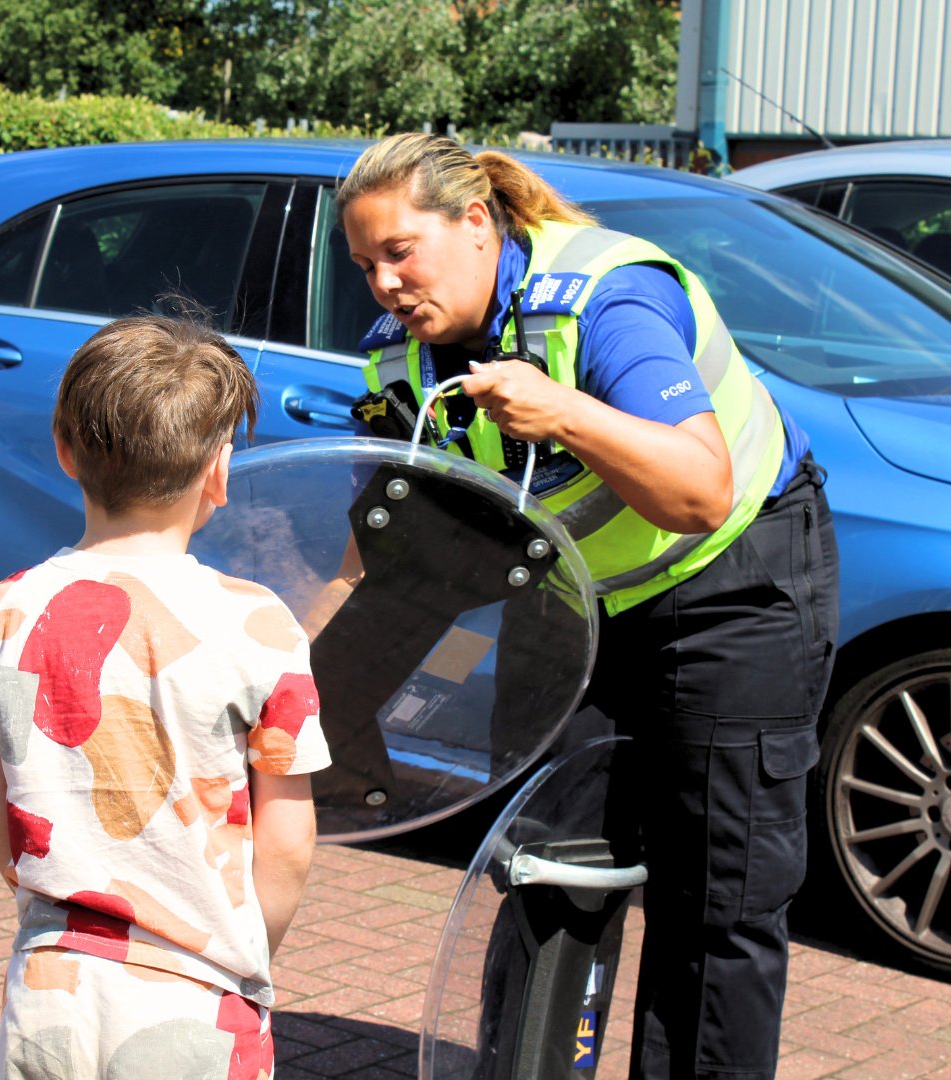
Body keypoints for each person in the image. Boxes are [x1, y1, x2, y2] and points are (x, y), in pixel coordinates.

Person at [337, 133, 839, 1080]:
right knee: (544, 866)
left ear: (476, 222)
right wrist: (326, 700)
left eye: (400, 251)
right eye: (365, 264)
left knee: (715, 900)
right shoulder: (403, 366)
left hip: (729, 585)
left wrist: (563, 413)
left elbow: (697, 490)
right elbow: (398, 565)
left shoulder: (607, 299)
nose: (384, 284)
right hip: (571, 595)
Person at [0, 314, 331, 1079]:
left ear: (63, 452)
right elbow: (289, 841)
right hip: (196, 990)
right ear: (219, 471)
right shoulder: (260, 626)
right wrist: (245, 954)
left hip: (48, 984)